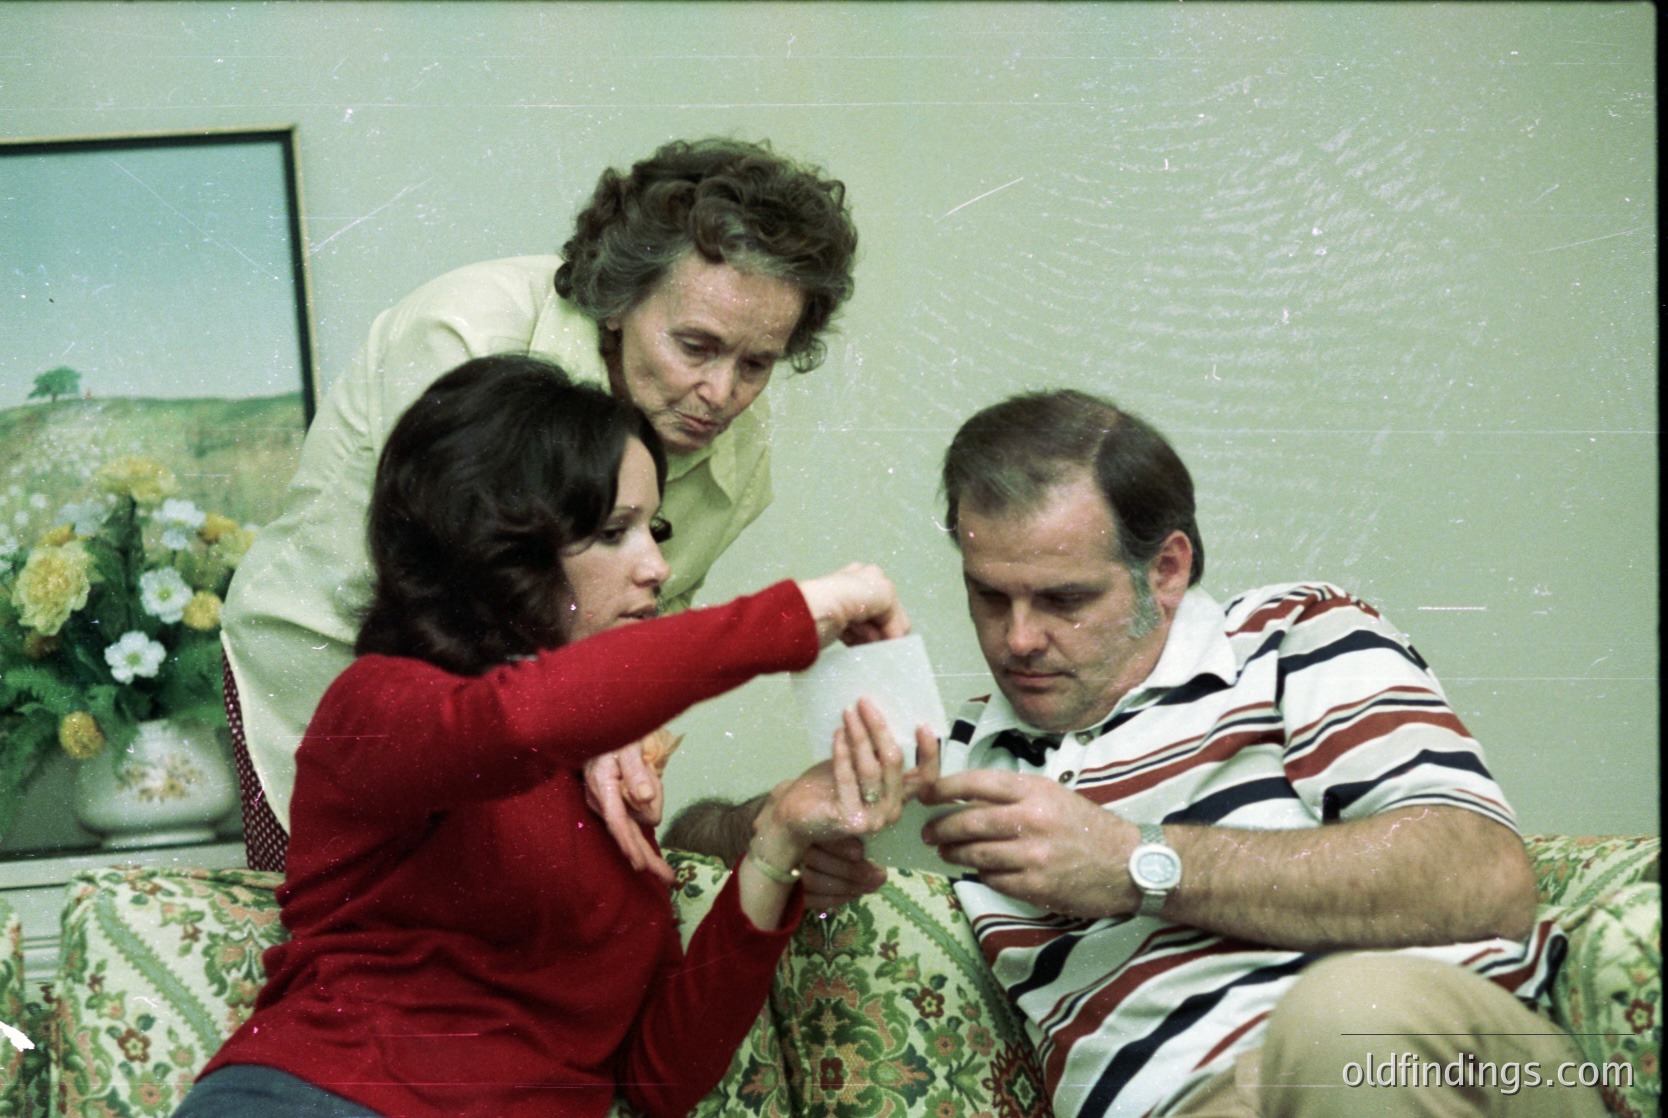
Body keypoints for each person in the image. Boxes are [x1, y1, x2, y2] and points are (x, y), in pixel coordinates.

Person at [803, 389, 1605, 1118]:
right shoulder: (964, 762)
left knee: (1337, 1020)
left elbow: (1487, 878)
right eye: (989, 595)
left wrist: (1140, 863)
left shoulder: (1295, 640)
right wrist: (787, 828)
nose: (1018, 640)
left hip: (1420, 1060)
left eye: (1065, 599)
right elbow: (709, 839)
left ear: (1167, 570)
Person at [175, 355, 936, 1118]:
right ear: (500, 554)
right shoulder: (379, 705)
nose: (658, 567)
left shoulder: (606, 778)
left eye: (654, 527)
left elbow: (658, 1080)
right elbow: (513, 721)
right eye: (613, 532)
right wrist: (797, 614)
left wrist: (776, 843)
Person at [221, 137, 858, 872]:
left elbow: (642, 631)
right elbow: (456, 605)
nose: (721, 393)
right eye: (696, 346)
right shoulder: (466, 332)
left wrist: (617, 721)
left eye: (756, 364)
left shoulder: (739, 450)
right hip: (325, 675)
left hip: (529, 708)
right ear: (618, 304)